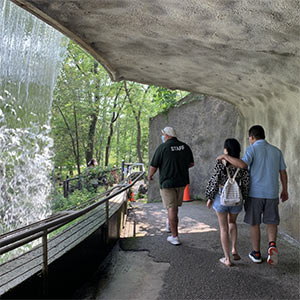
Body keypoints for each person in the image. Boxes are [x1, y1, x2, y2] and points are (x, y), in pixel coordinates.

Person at [217, 125, 288, 265]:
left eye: (249, 138)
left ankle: (256, 253)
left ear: (252, 137)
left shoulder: (252, 149)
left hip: (255, 193)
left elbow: (242, 165)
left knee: (254, 223)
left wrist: (226, 156)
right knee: (271, 221)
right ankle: (272, 245)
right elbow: (283, 172)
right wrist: (285, 190)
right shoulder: (276, 151)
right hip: (272, 193)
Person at [206, 138, 250, 267]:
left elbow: (214, 181)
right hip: (236, 199)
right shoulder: (241, 164)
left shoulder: (221, 163)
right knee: (233, 223)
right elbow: (246, 183)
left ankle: (227, 259)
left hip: (221, 198)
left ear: (226, 150)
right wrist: (245, 199)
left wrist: (210, 197)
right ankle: (234, 248)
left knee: (223, 228)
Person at [148, 126, 194, 245]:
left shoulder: (162, 147)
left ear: (167, 135)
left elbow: (154, 165)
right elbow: (191, 163)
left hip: (167, 183)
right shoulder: (185, 146)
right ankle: (169, 224)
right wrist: (180, 167)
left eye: (163, 134)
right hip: (182, 182)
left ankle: (175, 237)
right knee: (174, 207)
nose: (162, 136)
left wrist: (150, 176)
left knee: (171, 208)